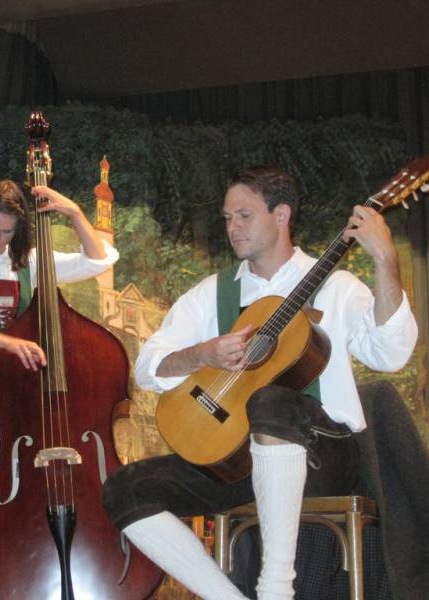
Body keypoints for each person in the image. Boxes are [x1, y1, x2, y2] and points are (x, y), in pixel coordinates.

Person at [101, 166, 418, 600]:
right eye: (227, 218)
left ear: (281, 215)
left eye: (244, 216)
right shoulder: (212, 293)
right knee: (125, 488)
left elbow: (391, 353)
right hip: (239, 462)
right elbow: (147, 368)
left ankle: (275, 589)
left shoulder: (337, 287)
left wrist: (385, 260)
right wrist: (202, 354)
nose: (232, 227)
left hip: (323, 458)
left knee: (271, 401)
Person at [0, 179, 119, 600]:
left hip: (29, 407)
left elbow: (99, 260)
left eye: (6, 232)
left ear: (19, 231)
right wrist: (9, 342)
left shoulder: (31, 262)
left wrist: (73, 212)